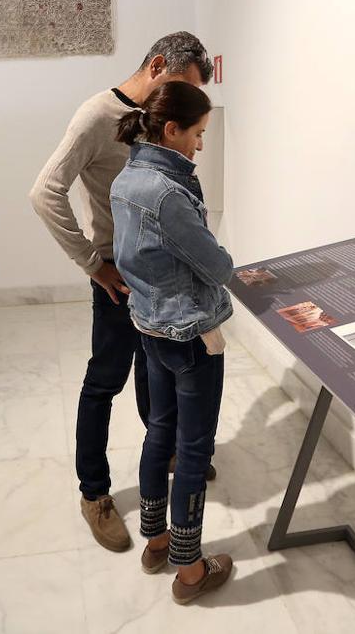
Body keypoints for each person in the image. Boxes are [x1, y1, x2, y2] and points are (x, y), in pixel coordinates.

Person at [29, 31, 214, 552]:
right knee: (104, 381)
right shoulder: (96, 117)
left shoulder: (160, 119)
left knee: (158, 375)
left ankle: (168, 455)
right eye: (185, 87)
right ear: (157, 66)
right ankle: (95, 493)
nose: (188, 105)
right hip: (119, 278)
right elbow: (45, 192)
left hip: (164, 278)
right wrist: (93, 265)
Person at [111, 82, 234, 602]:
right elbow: (218, 265)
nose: (200, 145)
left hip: (150, 328)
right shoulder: (167, 193)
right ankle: (189, 572)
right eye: (198, 134)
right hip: (189, 334)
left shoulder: (126, 179)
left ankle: (157, 542)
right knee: (191, 448)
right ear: (172, 129)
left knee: (158, 434)